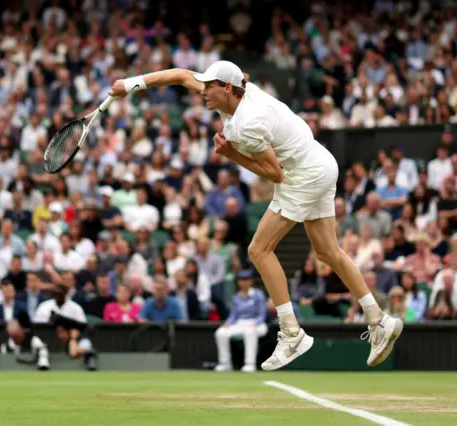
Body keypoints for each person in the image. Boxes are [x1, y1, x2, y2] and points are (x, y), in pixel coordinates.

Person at [110, 61, 402, 370]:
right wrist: (131, 84)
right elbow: (181, 76)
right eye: (204, 85)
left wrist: (231, 154)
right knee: (328, 252)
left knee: (258, 250)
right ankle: (378, 320)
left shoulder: (246, 124)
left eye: (209, 86)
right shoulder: (235, 93)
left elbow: (274, 174)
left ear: (227, 88)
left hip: (302, 175)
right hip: (322, 164)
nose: (203, 91)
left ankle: (292, 332)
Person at [214, 270, 268, 373]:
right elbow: (233, 315)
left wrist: (255, 323)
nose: (244, 282)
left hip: (258, 324)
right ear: (239, 282)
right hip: (240, 324)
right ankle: (225, 364)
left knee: (249, 331)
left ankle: (249, 364)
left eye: (246, 280)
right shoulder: (236, 297)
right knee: (220, 333)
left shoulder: (258, 295)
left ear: (251, 281)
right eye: (242, 280)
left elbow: (262, 315)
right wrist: (227, 324)